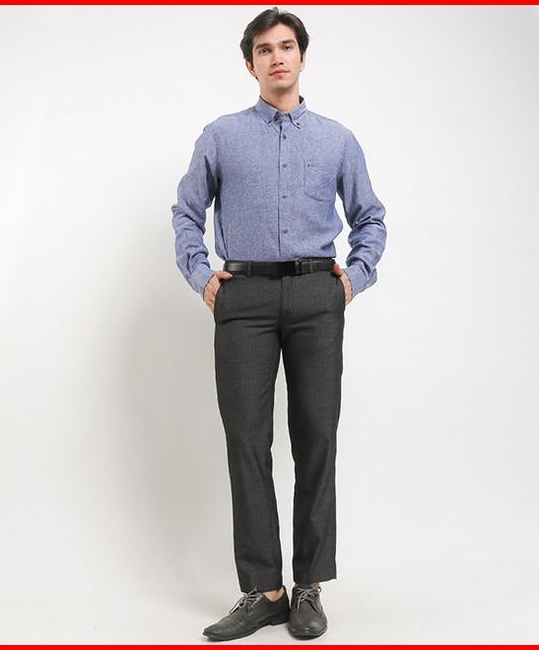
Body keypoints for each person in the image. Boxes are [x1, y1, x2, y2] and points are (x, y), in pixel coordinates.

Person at [171, 7, 386, 641]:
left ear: (302, 56)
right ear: (251, 64)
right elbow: (186, 212)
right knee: (246, 439)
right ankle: (264, 590)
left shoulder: (337, 140)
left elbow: (370, 217)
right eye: (264, 49)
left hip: (318, 295)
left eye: (286, 46)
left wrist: (352, 278)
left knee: (317, 436)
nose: (277, 57)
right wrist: (202, 276)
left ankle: (309, 585)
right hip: (244, 299)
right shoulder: (220, 136)